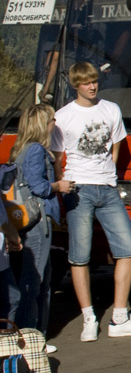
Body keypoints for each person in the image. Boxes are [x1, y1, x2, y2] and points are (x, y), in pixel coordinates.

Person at [51, 61, 131, 341]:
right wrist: (64, 186)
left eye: (95, 80)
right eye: (86, 82)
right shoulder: (63, 116)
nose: (92, 86)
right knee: (80, 256)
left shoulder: (111, 110)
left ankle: (120, 317)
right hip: (78, 190)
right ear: (76, 85)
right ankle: (89, 318)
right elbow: (57, 157)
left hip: (107, 189)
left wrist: (109, 176)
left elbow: (116, 148)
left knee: (129, 251)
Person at [9, 104, 61, 351]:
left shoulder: (21, 148)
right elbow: (38, 187)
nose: (55, 123)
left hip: (31, 220)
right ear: (44, 123)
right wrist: (60, 186)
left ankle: (36, 335)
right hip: (37, 220)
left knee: (41, 277)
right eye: (53, 119)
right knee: (34, 279)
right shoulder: (35, 151)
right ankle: (30, 339)